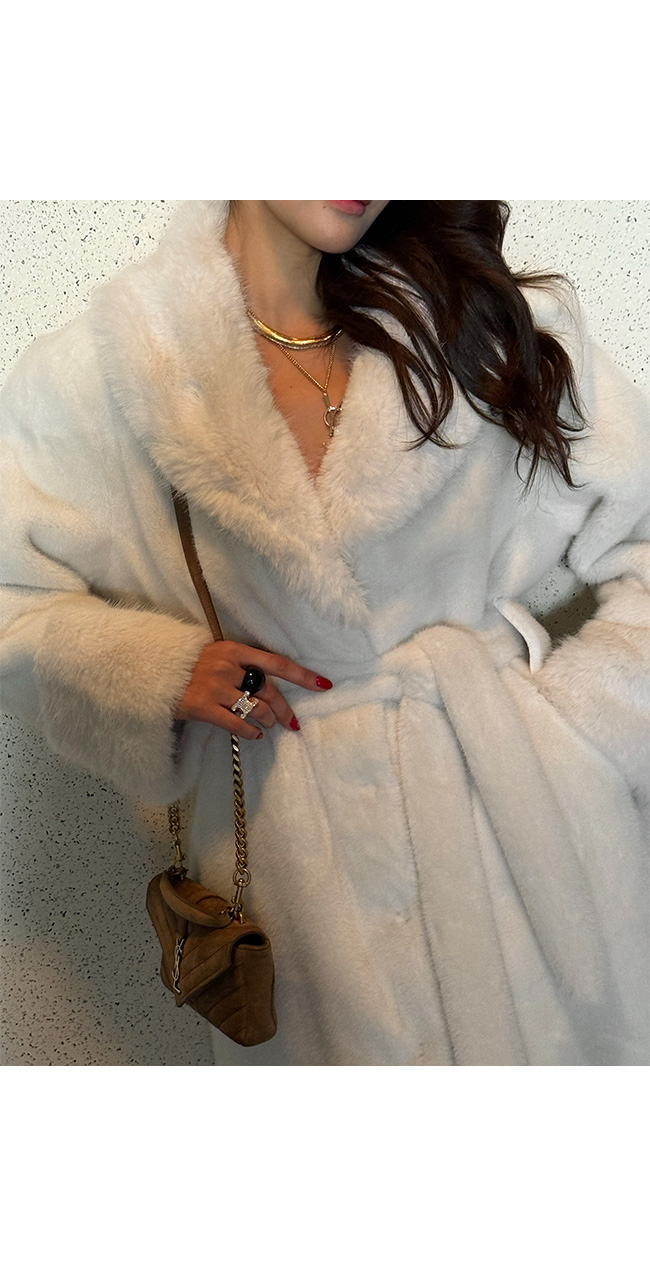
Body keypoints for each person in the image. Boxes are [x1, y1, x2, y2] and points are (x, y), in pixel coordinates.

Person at [0, 200, 648, 1066]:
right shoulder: (101, 372)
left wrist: (584, 732)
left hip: (529, 835)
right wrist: (151, 672)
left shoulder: (479, 323)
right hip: (293, 863)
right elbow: (14, 607)